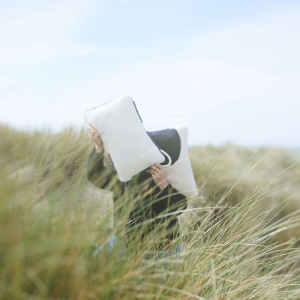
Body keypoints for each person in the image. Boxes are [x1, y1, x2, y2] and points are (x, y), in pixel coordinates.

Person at [87, 126, 187, 254]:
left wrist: (164, 185)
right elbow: (96, 176)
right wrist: (98, 148)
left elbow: (180, 207)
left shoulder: (161, 174)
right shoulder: (125, 174)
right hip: (126, 243)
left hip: (162, 248)